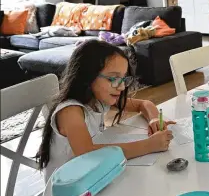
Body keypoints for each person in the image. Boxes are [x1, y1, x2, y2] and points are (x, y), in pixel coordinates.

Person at [36, 40, 175, 182]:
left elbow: (144, 104)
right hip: (67, 188)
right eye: (113, 78)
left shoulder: (98, 99)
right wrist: (148, 145)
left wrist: (154, 119)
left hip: (92, 174)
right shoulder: (70, 112)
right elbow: (87, 153)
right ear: (87, 76)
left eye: (123, 79)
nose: (121, 87)